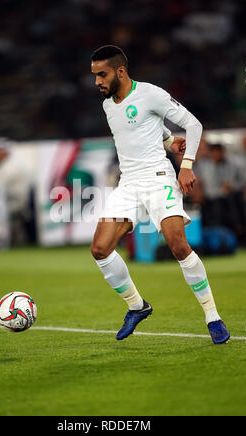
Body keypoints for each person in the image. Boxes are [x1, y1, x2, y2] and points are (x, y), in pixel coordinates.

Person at [90, 45, 230, 345]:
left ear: (120, 71)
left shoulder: (151, 93)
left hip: (158, 179)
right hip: (128, 184)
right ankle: (137, 307)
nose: (97, 82)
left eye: (102, 74)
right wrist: (169, 141)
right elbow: (141, 132)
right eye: (95, 76)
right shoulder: (108, 106)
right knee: (100, 249)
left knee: (178, 245)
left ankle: (213, 316)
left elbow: (194, 124)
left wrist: (186, 165)